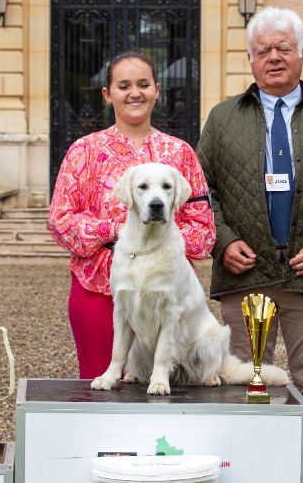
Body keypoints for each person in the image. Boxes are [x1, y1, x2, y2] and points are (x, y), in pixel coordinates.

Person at [195, 7, 303, 413]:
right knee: (239, 385)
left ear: (302, 53)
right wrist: (223, 242)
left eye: (283, 47)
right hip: (244, 274)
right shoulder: (221, 118)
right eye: (263, 49)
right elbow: (201, 193)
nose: (274, 57)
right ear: (250, 59)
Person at [49, 50, 215, 378]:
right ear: (107, 94)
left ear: (157, 90)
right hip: (98, 288)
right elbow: (61, 219)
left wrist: (161, 237)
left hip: (166, 290)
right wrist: (116, 229)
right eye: (123, 85)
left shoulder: (180, 153)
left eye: (143, 84)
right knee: (100, 391)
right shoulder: (83, 151)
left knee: (165, 397)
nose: (134, 92)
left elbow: (204, 229)